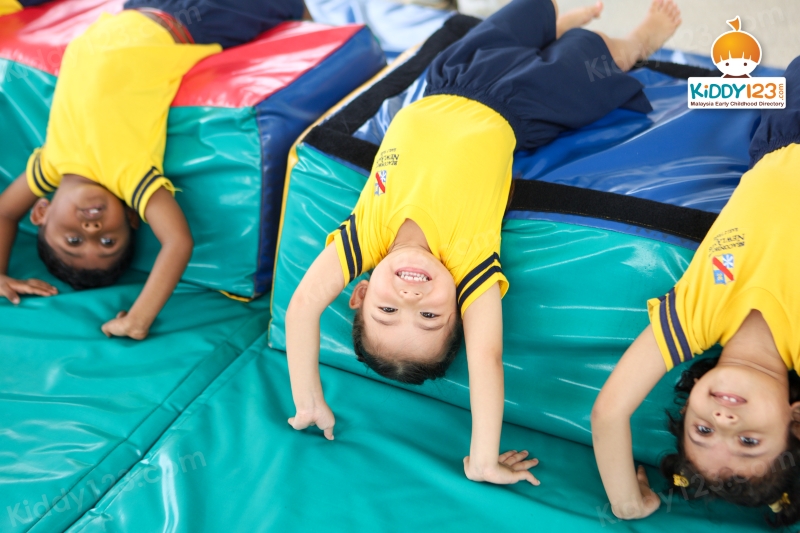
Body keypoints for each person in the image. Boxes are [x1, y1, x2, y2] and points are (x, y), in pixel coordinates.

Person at [287, 0, 681, 485]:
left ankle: (558, 24)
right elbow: (487, 360)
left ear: (361, 293)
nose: (410, 299)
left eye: (388, 312)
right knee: (598, 60)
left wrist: (309, 401)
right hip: (529, 104)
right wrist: (481, 460)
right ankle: (640, 40)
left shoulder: (365, 237)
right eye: (429, 317)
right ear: (457, 306)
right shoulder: (469, 265)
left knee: (526, 13)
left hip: (451, 79)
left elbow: (303, 305)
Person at [0, 0, 306, 339]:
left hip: (139, 8)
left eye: (74, 239)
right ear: (132, 218)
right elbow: (177, 242)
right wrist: (138, 318)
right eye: (107, 240)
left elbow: (4, 213)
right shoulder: (131, 179)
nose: (91, 227)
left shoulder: (50, 166)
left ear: (41, 212)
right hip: (198, 20)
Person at [592, 57, 800, 526]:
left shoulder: (693, 320)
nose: (725, 425)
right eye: (750, 442)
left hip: (784, 134)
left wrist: (628, 504)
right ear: (795, 421)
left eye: (702, 430)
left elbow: (607, 414)